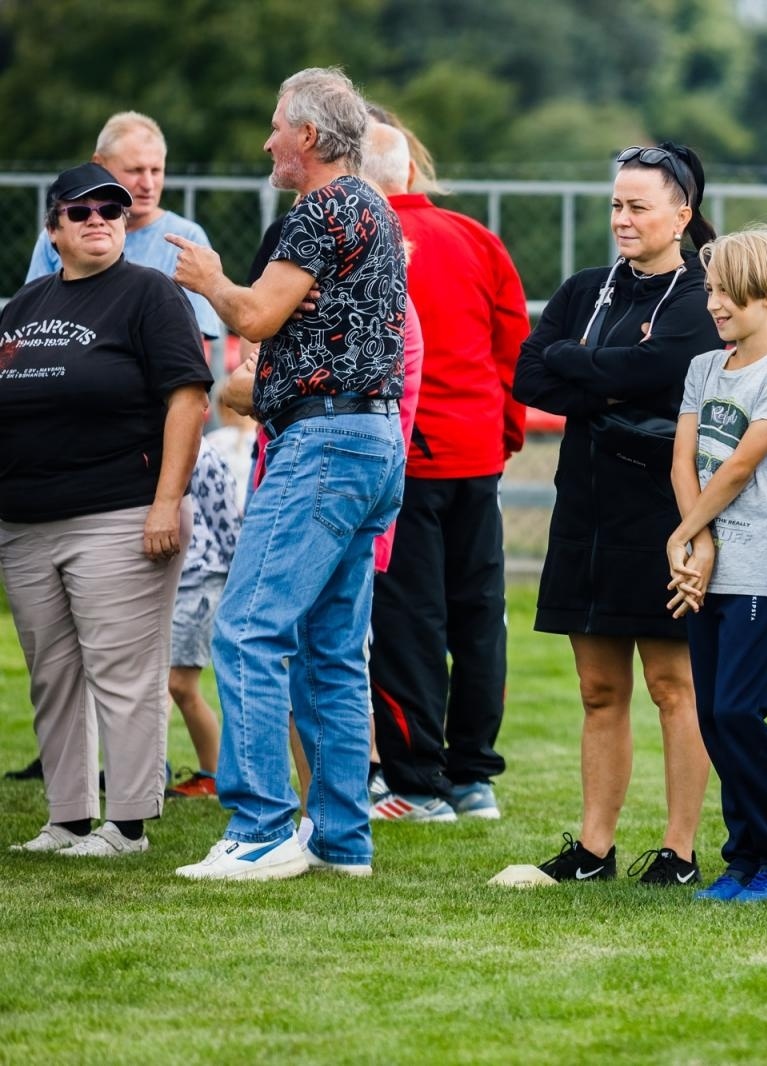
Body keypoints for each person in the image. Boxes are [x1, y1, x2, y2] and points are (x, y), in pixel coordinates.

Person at [168, 67, 407, 881]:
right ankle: (340, 840)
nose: (268, 141)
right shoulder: (374, 208)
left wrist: (211, 280)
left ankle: (262, 827)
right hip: (372, 441)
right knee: (332, 651)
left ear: (307, 135)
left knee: (247, 628)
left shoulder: (320, 209)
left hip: (324, 444)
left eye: (277, 127)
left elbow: (259, 315)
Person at [513, 142, 722, 885]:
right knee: (598, 691)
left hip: (662, 514)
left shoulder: (702, 296)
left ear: (681, 215)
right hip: (586, 508)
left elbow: (661, 370)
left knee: (673, 686)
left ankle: (679, 851)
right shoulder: (584, 290)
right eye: (615, 205)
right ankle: (593, 850)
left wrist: (581, 367)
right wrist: (608, 379)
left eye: (638, 206)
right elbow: (529, 375)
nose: (622, 219)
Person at [1, 162, 211, 856]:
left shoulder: (150, 294)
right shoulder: (23, 306)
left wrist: (166, 502)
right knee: (53, 676)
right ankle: (66, 819)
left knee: (123, 673)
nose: (99, 220)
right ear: (53, 229)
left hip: (120, 513)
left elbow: (188, 399)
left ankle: (127, 824)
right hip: (25, 520)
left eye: (111, 211)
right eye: (81, 211)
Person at [360, 120, 528, 823]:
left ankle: (418, 781)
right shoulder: (476, 238)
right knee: (479, 617)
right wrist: (504, 431)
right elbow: (514, 344)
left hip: (407, 456)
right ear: (408, 169)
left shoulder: (360, 237)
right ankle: (473, 776)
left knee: (409, 622)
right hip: (476, 454)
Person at [663, 224, 767, 904]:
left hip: (759, 567)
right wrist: (697, 543)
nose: (715, 304)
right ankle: (743, 859)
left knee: (737, 712)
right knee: (713, 717)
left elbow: (740, 465)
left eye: (730, 293)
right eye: (712, 291)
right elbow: (685, 459)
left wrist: (686, 535)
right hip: (707, 564)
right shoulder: (704, 368)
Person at [25, 112, 223, 341]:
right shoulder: (60, 235)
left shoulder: (185, 239)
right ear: (99, 164)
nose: (148, 184)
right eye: (134, 170)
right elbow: (32, 322)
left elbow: (191, 346)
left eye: (156, 170)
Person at [165, 433, 243, 798]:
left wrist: (239, 583)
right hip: (166, 577)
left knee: (179, 683)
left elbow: (228, 522)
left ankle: (212, 774)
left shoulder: (203, 454)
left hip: (200, 578)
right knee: (165, 684)